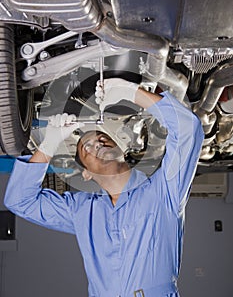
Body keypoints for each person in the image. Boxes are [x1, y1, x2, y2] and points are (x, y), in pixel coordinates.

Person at [4, 78, 204, 297]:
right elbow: (19, 200)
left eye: (102, 138)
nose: (97, 143)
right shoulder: (81, 211)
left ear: (123, 150)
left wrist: (129, 91)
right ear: (86, 174)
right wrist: (49, 143)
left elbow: (187, 129)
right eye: (86, 147)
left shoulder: (164, 190)